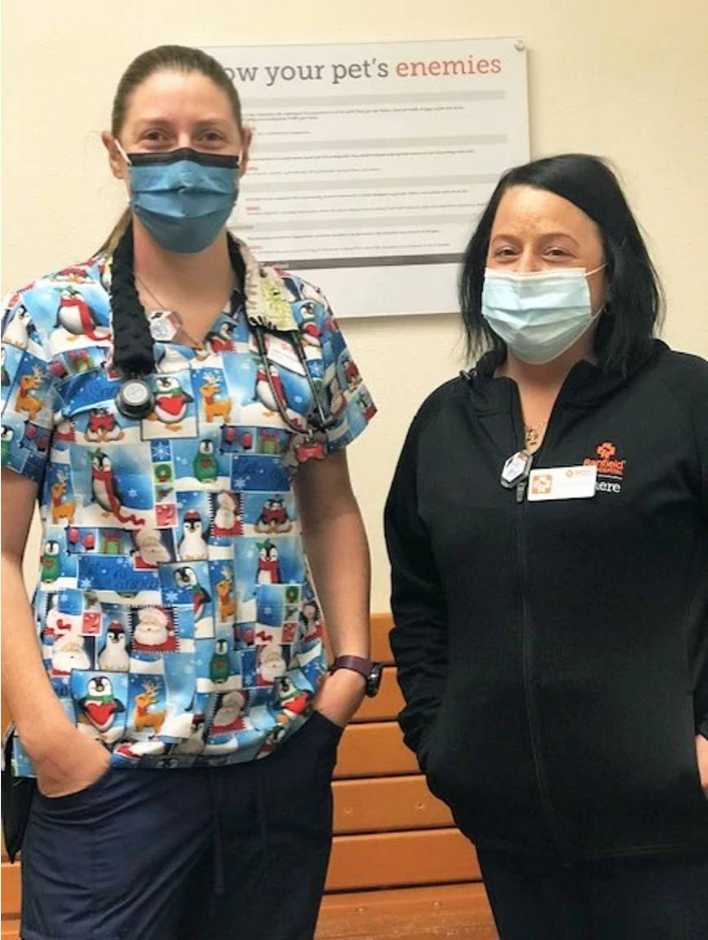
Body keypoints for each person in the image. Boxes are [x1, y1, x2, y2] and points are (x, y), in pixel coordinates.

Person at [1, 44, 380, 940]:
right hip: (107, 772)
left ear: (244, 150)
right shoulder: (48, 323)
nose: (184, 159)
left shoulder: (298, 320)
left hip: (278, 758)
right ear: (115, 152)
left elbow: (332, 509)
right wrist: (49, 738)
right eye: (156, 138)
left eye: (208, 138)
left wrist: (352, 672)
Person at [384, 154, 708, 939]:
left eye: (556, 251)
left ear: (611, 269)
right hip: (513, 836)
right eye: (506, 250)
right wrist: (442, 740)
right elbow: (420, 599)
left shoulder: (684, 402)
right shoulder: (446, 425)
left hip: (674, 833)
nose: (526, 270)